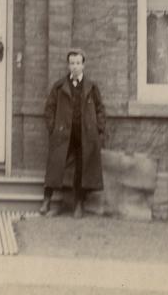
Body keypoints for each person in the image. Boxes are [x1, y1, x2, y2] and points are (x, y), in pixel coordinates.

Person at [40, 49, 106, 217]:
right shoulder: (60, 86)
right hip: (63, 133)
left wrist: (98, 128)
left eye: (78, 63)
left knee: (82, 169)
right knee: (55, 164)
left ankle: (79, 204)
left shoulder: (91, 87)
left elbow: (100, 109)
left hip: (84, 135)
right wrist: (53, 128)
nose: (75, 67)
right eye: (72, 63)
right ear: (68, 65)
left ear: (83, 65)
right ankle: (47, 199)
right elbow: (49, 108)